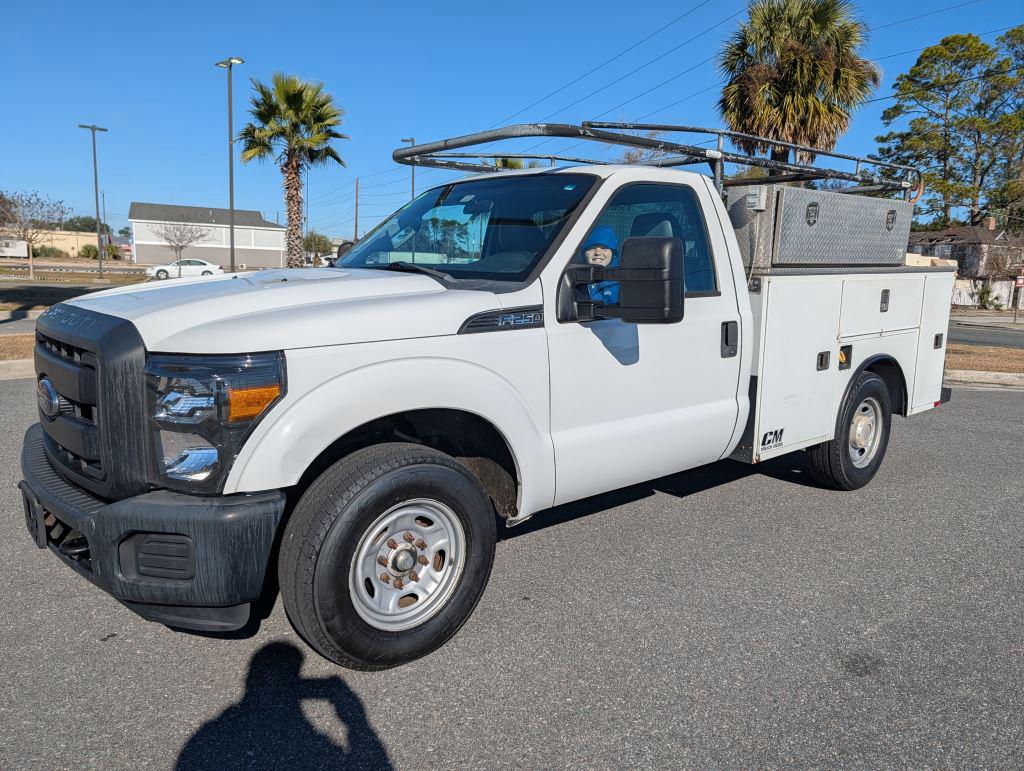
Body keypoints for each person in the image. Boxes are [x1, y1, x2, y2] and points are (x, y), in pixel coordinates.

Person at [580, 225, 620, 305]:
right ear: (583, 253)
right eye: (592, 248)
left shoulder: (622, 282)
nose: (598, 253)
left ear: (613, 253)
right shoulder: (573, 279)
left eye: (604, 248)